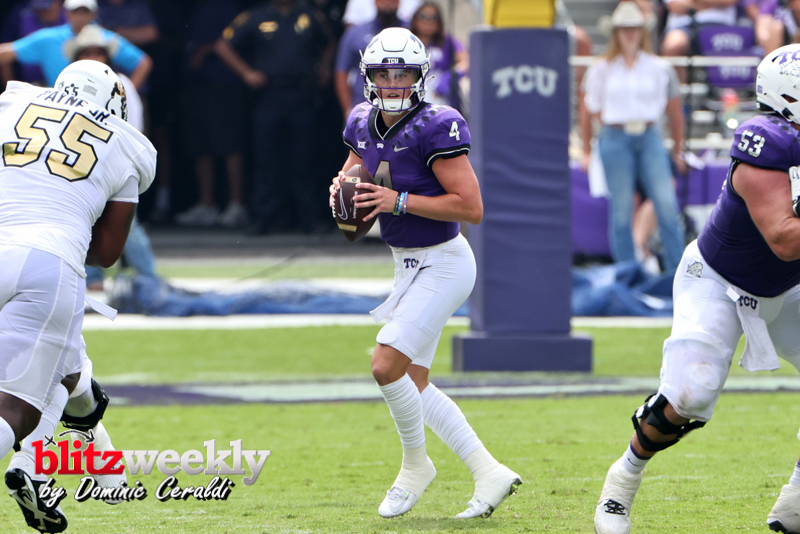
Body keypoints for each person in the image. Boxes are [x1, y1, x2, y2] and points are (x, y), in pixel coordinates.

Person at [593, 42, 800, 534]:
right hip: (719, 281)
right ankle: (623, 480)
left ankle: (795, 503)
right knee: (690, 394)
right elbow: (784, 238)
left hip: (788, 288)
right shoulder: (766, 143)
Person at [329, 27, 521, 519]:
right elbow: (356, 172)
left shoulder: (438, 124)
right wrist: (342, 189)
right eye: (384, 74)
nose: (393, 83)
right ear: (369, 77)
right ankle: (489, 471)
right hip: (406, 265)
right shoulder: (361, 120)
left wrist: (398, 201)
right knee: (412, 381)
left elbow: (471, 207)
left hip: (445, 261)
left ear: (420, 76)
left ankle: (415, 465)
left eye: (403, 74)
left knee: (384, 365)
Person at [0, 59, 155, 532]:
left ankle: (47, 466)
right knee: (16, 407)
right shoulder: (126, 142)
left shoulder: (13, 103)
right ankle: (35, 461)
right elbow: (106, 252)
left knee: (69, 367)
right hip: (50, 263)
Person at [581, 1, 686, 274]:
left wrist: (679, 150)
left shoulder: (658, 67)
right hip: (616, 135)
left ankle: (676, 272)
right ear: (616, 33)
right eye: (624, 29)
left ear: (642, 32)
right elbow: (588, 109)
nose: (629, 34)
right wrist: (586, 149)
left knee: (666, 203)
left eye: (634, 28)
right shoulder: (601, 68)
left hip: (649, 134)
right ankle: (628, 273)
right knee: (621, 210)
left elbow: (675, 112)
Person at [215, 0, 335, 234]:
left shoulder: (309, 14)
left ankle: (309, 217)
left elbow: (330, 41)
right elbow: (222, 45)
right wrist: (246, 73)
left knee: (305, 157)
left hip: (302, 93)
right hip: (268, 95)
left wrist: (325, 67)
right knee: (266, 158)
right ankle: (264, 218)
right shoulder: (255, 15)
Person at [63, 24, 158, 290]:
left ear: (107, 55)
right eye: (87, 52)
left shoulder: (122, 83)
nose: (93, 57)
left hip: (113, 163)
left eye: (98, 52)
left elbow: (133, 127)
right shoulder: (68, 85)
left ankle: (149, 278)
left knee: (128, 225)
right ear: (77, 56)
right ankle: (92, 280)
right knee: (84, 221)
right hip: (79, 164)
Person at [174, 0, 248, 228]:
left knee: (229, 143)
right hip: (195, 84)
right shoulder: (196, 8)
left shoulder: (226, 6)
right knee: (200, 144)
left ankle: (236, 204)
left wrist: (203, 52)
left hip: (221, 83)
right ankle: (207, 204)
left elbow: (231, 38)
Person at [0, 0, 152, 90]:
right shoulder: (49, 38)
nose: (80, 17)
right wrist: (10, 92)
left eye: (85, 12)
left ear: (94, 14)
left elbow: (143, 62)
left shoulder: (107, 39)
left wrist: (124, 97)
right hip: (59, 106)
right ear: (66, 12)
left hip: (99, 109)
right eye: (76, 11)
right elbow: (4, 53)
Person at [335, 0, 406, 118]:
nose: (388, 2)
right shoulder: (355, 33)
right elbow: (341, 70)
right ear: (375, 2)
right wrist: (348, 110)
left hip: (404, 108)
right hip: (364, 108)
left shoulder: (410, 32)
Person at [409, 2, 467, 108]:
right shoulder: (407, 41)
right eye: (422, 16)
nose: (428, 21)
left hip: (440, 99)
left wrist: (451, 76)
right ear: (415, 19)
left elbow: (465, 61)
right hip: (412, 97)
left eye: (433, 18)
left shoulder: (447, 41)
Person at [0, 0, 66, 87]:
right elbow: (3, 53)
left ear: (58, 3)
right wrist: (9, 87)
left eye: (46, 8)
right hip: (30, 85)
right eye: (39, 8)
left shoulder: (69, 22)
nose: (42, 12)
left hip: (63, 86)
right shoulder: (22, 14)